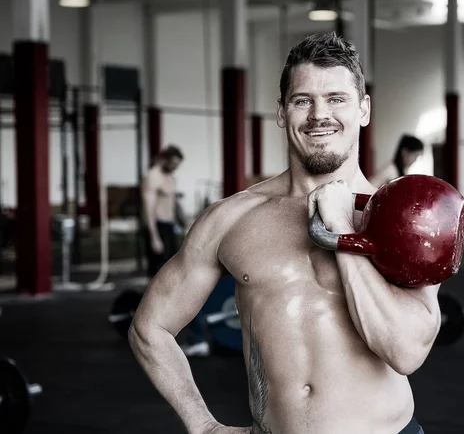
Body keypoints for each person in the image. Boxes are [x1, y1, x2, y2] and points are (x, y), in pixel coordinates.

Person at [130, 32, 440, 434]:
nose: (319, 115)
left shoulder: (405, 218)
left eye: (336, 99)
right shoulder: (231, 218)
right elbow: (149, 327)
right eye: (302, 100)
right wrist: (202, 425)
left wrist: (342, 230)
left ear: (363, 109)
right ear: (281, 112)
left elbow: (407, 351)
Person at [142, 144, 211, 357]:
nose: (174, 168)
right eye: (172, 164)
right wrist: (154, 237)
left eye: (177, 166)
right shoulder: (152, 177)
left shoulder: (170, 178)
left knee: (174, 281)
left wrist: (188, 223)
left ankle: (161, 332)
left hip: (170, 230)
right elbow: (148, 209)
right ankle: (151, 333)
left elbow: (173, 206)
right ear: (163, 158)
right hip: (158, 231)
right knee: (163, 284)